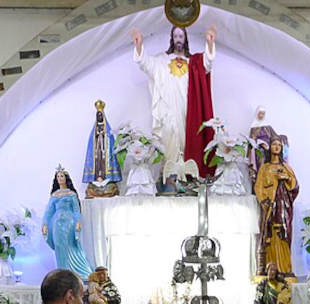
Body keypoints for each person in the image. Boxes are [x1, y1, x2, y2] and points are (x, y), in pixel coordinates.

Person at [131, 25, 216, 178]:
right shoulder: (161, 60)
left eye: (181, 36)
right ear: (172, 38)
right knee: (168, 140)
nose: (178, 39)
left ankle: (188, 177)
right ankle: (170, 178)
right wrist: (139, 46)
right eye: (175, 36)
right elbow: (145, 63)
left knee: (188, 139)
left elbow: (207, 65)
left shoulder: (193, 61)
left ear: (185, 39)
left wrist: (209, 43)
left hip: (188, 109)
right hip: (168, 110)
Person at [253, 136, 299, 277]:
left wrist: (286, 178)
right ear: (270, 147)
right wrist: (264, 201)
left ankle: (285, 268)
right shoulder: (265, 168)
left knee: (283, 235)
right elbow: (258, 186)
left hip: (283, 207)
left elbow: (295, 186)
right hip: (270, 206)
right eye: (274, 144)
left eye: (279, 145)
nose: (277, 147)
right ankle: (269, 268)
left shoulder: (286, 168)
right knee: (269, 234)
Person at [42, 167, 93, 280]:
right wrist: (45, 223)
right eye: (58, 177)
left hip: (69, 223)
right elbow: (49, 211)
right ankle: (62, 271)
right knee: (59, 245)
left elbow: (76, 210)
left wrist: (78, 221)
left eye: (62, 176)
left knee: (70, 245)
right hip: (56, 224)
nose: (60, 178)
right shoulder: (54, 195)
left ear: (66, 178)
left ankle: (74, 272)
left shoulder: (71, 194)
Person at [83, 100, 122, 198]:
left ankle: (107, 179)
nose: (99, 117)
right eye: (98, 115)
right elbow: (92, 143)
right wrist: (97, 135)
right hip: (97, 151)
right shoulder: (94, 131)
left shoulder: (108, 131)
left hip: (105, 152)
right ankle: (97, 178)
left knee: (104, 163)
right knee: (98, 163)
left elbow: (110, 142)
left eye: (101, 115)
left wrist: (104, 136)